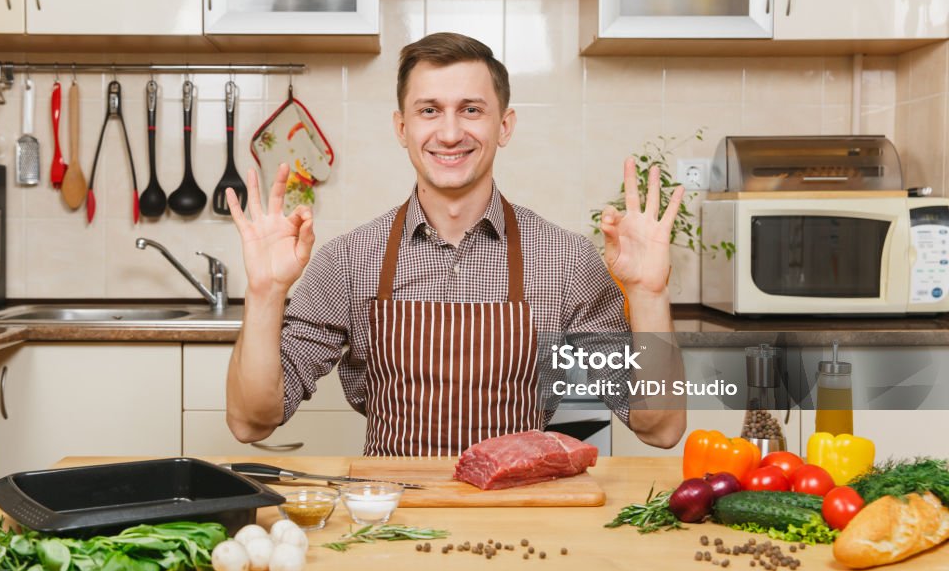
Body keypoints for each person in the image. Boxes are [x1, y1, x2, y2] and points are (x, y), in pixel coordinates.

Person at [224, 32, 685, 457]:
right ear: (402, 128)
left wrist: (648, 293)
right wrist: (265, 294)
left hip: (518, 514)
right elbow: (252, 422)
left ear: (503, 127)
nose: (449, 133)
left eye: (471, 109)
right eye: (429, 110)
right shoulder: (348, 260)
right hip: (391, 520)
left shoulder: (565, 260)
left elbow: (659, 429)